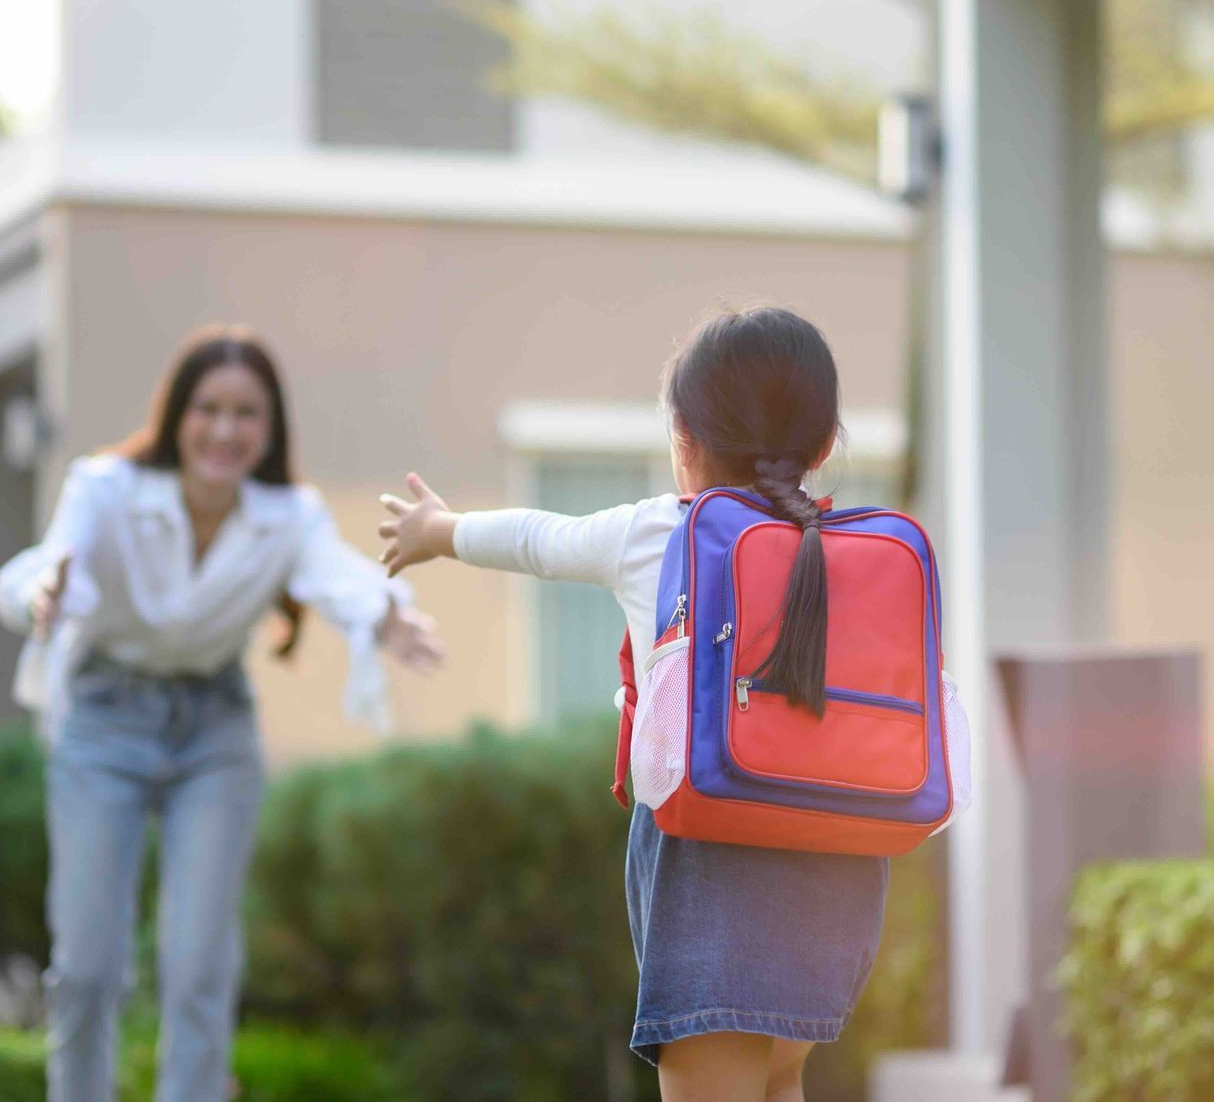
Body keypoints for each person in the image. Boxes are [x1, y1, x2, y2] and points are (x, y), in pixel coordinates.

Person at [377, 307, 886, 1102]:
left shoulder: (659, 533)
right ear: (823, 446)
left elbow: (538, 538)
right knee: (781, 1081)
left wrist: (439, 530)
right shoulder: (854, 551)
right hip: (837, 870)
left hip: (714, 859)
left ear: (683, 439)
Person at [0, 326, 442, 1102]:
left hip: (214, 731)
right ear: (177, 415)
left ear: (269, 430)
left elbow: (337, 576)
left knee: (200, 961)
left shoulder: (287, 513)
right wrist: (43, 596)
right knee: (91, 965)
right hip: (104, 721)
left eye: (247, 413)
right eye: (209, 409)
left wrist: (383, 614)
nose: (226, 431)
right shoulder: (104, 488)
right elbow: (40, 571)